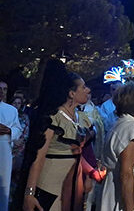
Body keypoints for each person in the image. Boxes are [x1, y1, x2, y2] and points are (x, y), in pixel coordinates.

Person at [22, 61, 93, 211]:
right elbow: (39, 157)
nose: (88, 90)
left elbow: (80, 153)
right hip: (50, 187)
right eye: (83, 87)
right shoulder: (54, 117)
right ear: (71, 93)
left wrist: (89, 174)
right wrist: (29, 194)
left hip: (74, 188)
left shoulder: (83, 118)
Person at [98, 83, 134, 210]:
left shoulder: (122, 123)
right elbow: (126, 173)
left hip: (116, 187)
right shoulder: (130, 128)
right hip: (127, 193)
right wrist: (130, 207)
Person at [0, 80, 22, 211]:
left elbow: (17, 129)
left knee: (3, 186)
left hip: (4, 150)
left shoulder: (11, 110)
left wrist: (9, 131)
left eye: (4, 89)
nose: (1, 92)